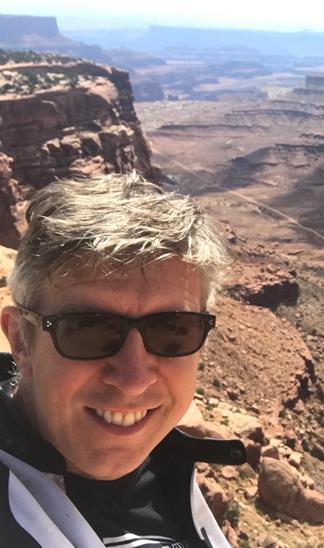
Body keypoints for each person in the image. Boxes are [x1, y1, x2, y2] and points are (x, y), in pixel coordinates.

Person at [0, 173, 245, 547]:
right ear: (20, 338)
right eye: (87, 329)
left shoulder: (169, 468)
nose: (133, 378)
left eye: (173, 329)